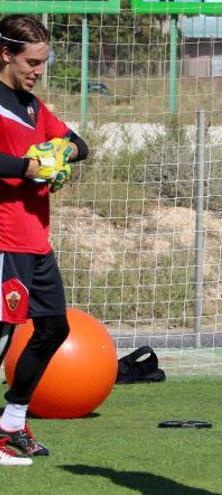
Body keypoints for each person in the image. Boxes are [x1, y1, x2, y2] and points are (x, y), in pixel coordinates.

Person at [0, 15, 89, 467]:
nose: (39, 70)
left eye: (44, 61)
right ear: (5, 54)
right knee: (0, 339)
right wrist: (28, 168)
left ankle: (10, 423)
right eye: (32, 61)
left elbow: (80, 143)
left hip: (37, 242)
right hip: (4, 240)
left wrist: (59, 153)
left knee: (55, 327)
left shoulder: (34, 107)